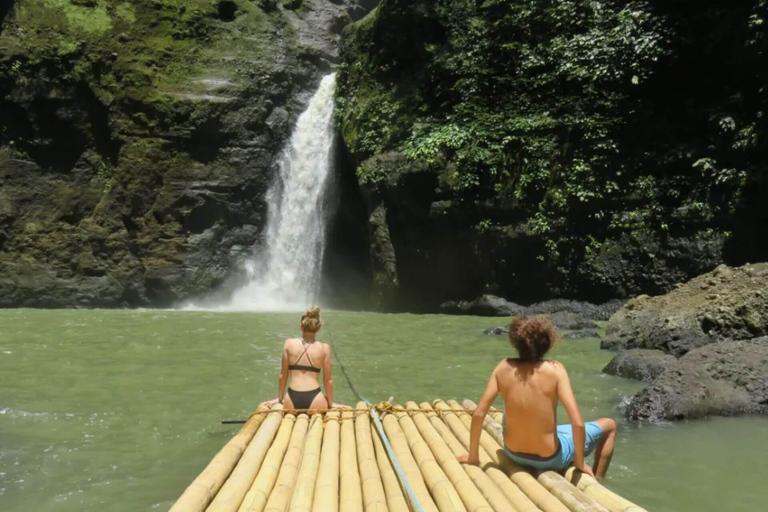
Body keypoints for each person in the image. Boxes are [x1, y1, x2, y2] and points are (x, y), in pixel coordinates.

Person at [458, 316, 617, 479]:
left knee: (554, 426)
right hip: (549, 459)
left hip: (513, 453)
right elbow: (577, 423)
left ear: (515, 343)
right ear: (547, 342)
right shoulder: (556, 370)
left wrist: (473, 456)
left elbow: (479, 414)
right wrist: (579, 462)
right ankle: (597, 479)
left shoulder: (503, 367)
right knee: (609, 425)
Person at [263, 306, 348, 411]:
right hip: (315, 398)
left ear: (301, 326)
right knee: (323, 403)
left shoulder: (288, 343)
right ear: (318, 329)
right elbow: (328, 380)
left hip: (291, 399)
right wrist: (331, 403)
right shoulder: (324, 348)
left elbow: (283, 375)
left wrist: (279, 399)